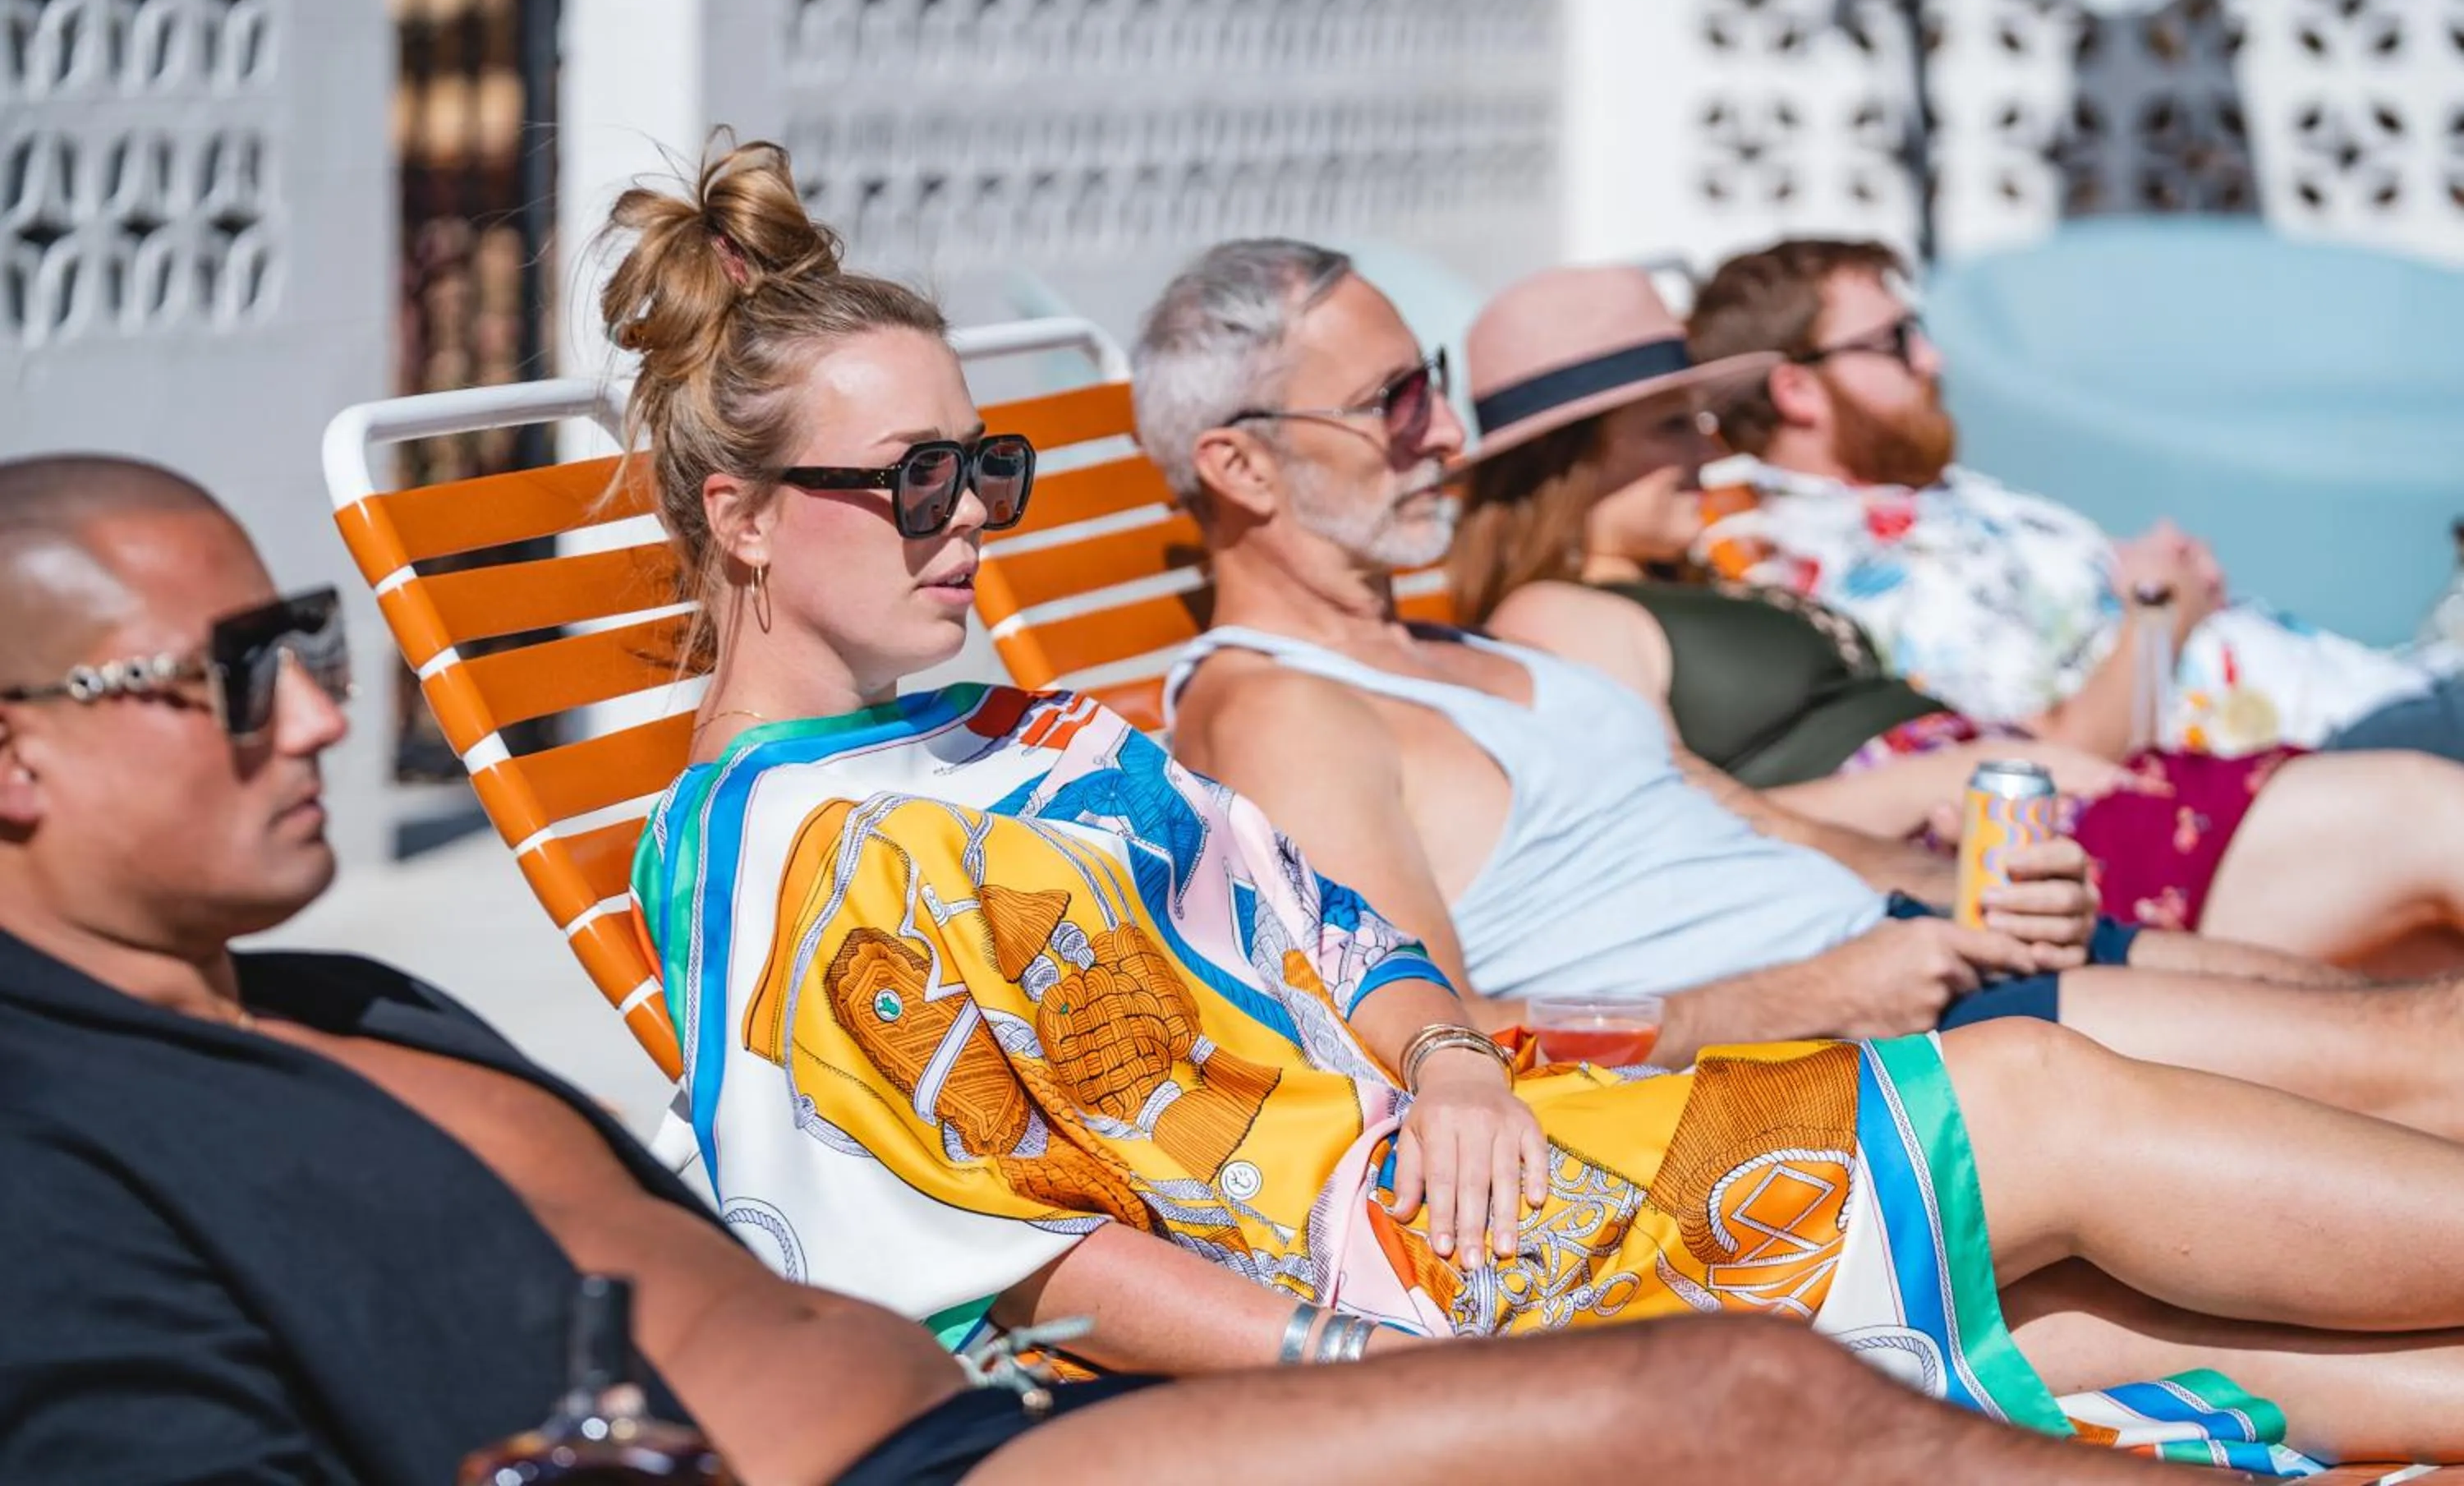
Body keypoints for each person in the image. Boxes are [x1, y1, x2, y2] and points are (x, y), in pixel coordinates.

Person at [622, 140, 2464, 1474]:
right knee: (2033, 1103)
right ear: (748, 517)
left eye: (990, 467)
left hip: (1483, 1166)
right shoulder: (784, 863)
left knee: (2060, 1320)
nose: (969, 517)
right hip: (1393, 1299)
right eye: (916, 477)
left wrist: (1445, 1060)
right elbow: (1001, 1271)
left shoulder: (1016, 734)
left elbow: (1341, 936)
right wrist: (1368, 1363)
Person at [0, 467, 2156, 1486]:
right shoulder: (55, 1150)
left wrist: (1446, 1051)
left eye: (311, 646)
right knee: (1757, 1403)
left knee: (1886, 1328)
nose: (310, 719)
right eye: (231, 675)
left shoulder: (338, 1006)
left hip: (1051, 1401)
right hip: (1008, 1442)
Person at [1446, 261, 2464, 965]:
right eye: (1673, 428)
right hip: (1998, 848)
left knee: (2422, 947)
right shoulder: (1554, 612)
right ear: (1571, 465)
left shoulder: (1695, 578)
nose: (1710, 456)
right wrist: (1963, 773)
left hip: (2027, 814)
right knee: (2428, 817)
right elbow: (1676, 825)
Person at [1684, 237, 2464, 764]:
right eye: (1892, 341)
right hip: (2331, 759)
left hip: (2374, 694)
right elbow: (2051, 759)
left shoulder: (1918, 500)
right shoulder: (1858, 574)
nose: (1931, 357)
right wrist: (2166, 606)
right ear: (1796, 390)